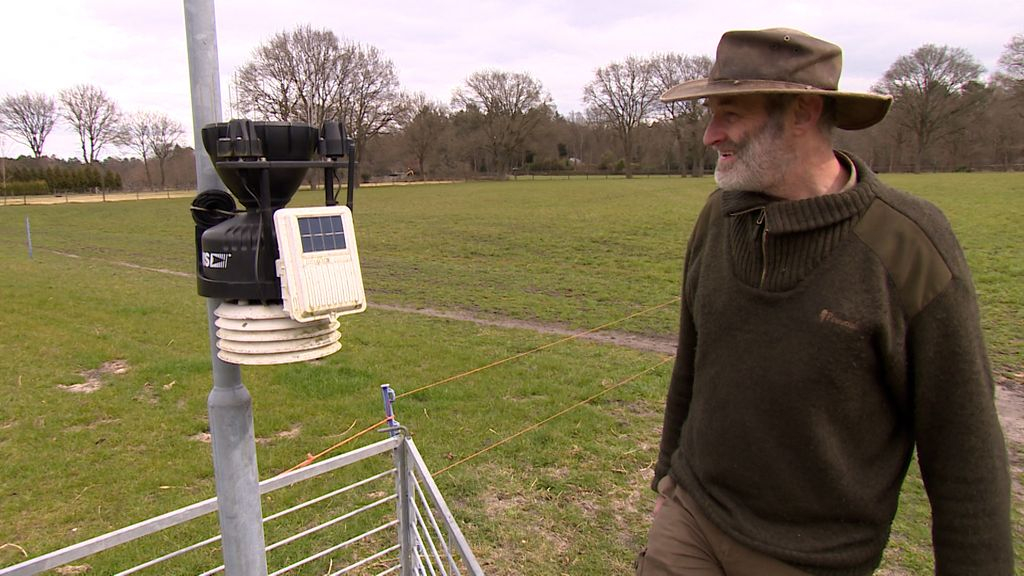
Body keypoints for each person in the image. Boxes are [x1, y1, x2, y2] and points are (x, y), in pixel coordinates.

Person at [637, 28, 1013, 576]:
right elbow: (692, 363)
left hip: (812, 557)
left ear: (803, 112)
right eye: (710, 114)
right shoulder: (719, 216)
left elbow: (964, 442)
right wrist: (668, 478)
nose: (709, 135)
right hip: (691, 519)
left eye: (730, 114)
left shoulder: (909, 243)